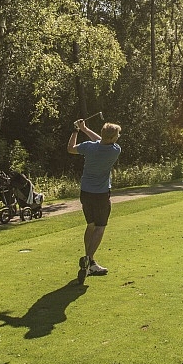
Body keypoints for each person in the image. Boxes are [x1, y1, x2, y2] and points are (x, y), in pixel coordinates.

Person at [68, 117, 122, 283]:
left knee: (90, 225)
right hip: (101, 194)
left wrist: (77, 130)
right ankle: (88, 259)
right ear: (113, 138)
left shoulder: (88, 148)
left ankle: (89, 262)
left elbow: (70, 149)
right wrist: (85, 130)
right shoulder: (115, 150)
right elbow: (102, 141)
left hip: (85, 192)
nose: (118, 137)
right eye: (117, 135)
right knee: (100, 227)